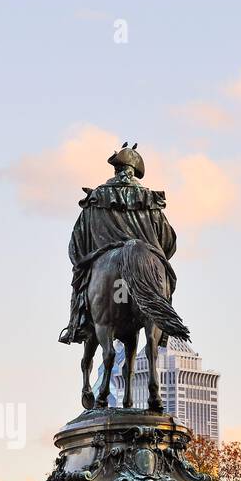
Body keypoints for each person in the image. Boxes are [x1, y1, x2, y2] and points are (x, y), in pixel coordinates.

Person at [59, 142, 178, 346]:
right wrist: (157, 256)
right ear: (134, 172)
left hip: (102, 260)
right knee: (167, 281)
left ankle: (76, 325)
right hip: (146, 256)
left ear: (116, 170)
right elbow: (169, 241)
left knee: (79, 282)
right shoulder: (150, 199)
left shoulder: (95, 198)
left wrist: (84, 261)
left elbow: (76, 244)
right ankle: (162, 326)